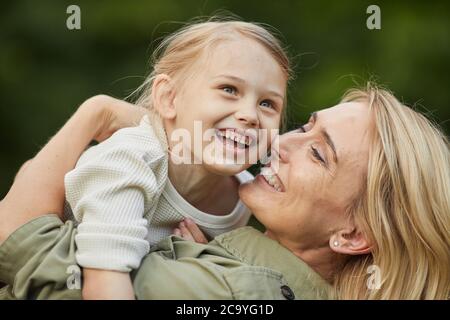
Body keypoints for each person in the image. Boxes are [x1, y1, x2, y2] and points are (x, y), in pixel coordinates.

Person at [0, 85, 448, 299]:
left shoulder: (241, 292)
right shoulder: (239, 275)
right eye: (305, 127)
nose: (283, 142)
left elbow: (20, 243)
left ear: (351, 236)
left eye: (319, 155)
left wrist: (94, 115)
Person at [61, 18, 291, 299]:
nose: (250, 115)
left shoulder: (245, 196)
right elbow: (104, 284)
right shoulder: (129, 159)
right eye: (229, 89)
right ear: (169, 98)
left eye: (267, 103)